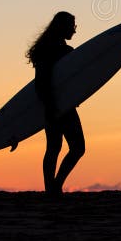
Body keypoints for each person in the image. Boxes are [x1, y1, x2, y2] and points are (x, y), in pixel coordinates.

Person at [25, 11, 85, 195]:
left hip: (57, 105)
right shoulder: (54, 51)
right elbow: (41, 82)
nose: (74, 31)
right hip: (58, 106)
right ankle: (54, 187)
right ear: (63, 27)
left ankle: (52, 188)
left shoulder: (55, 50)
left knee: (55, 147)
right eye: (72, 26)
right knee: (76, 147)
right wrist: (52, 106)